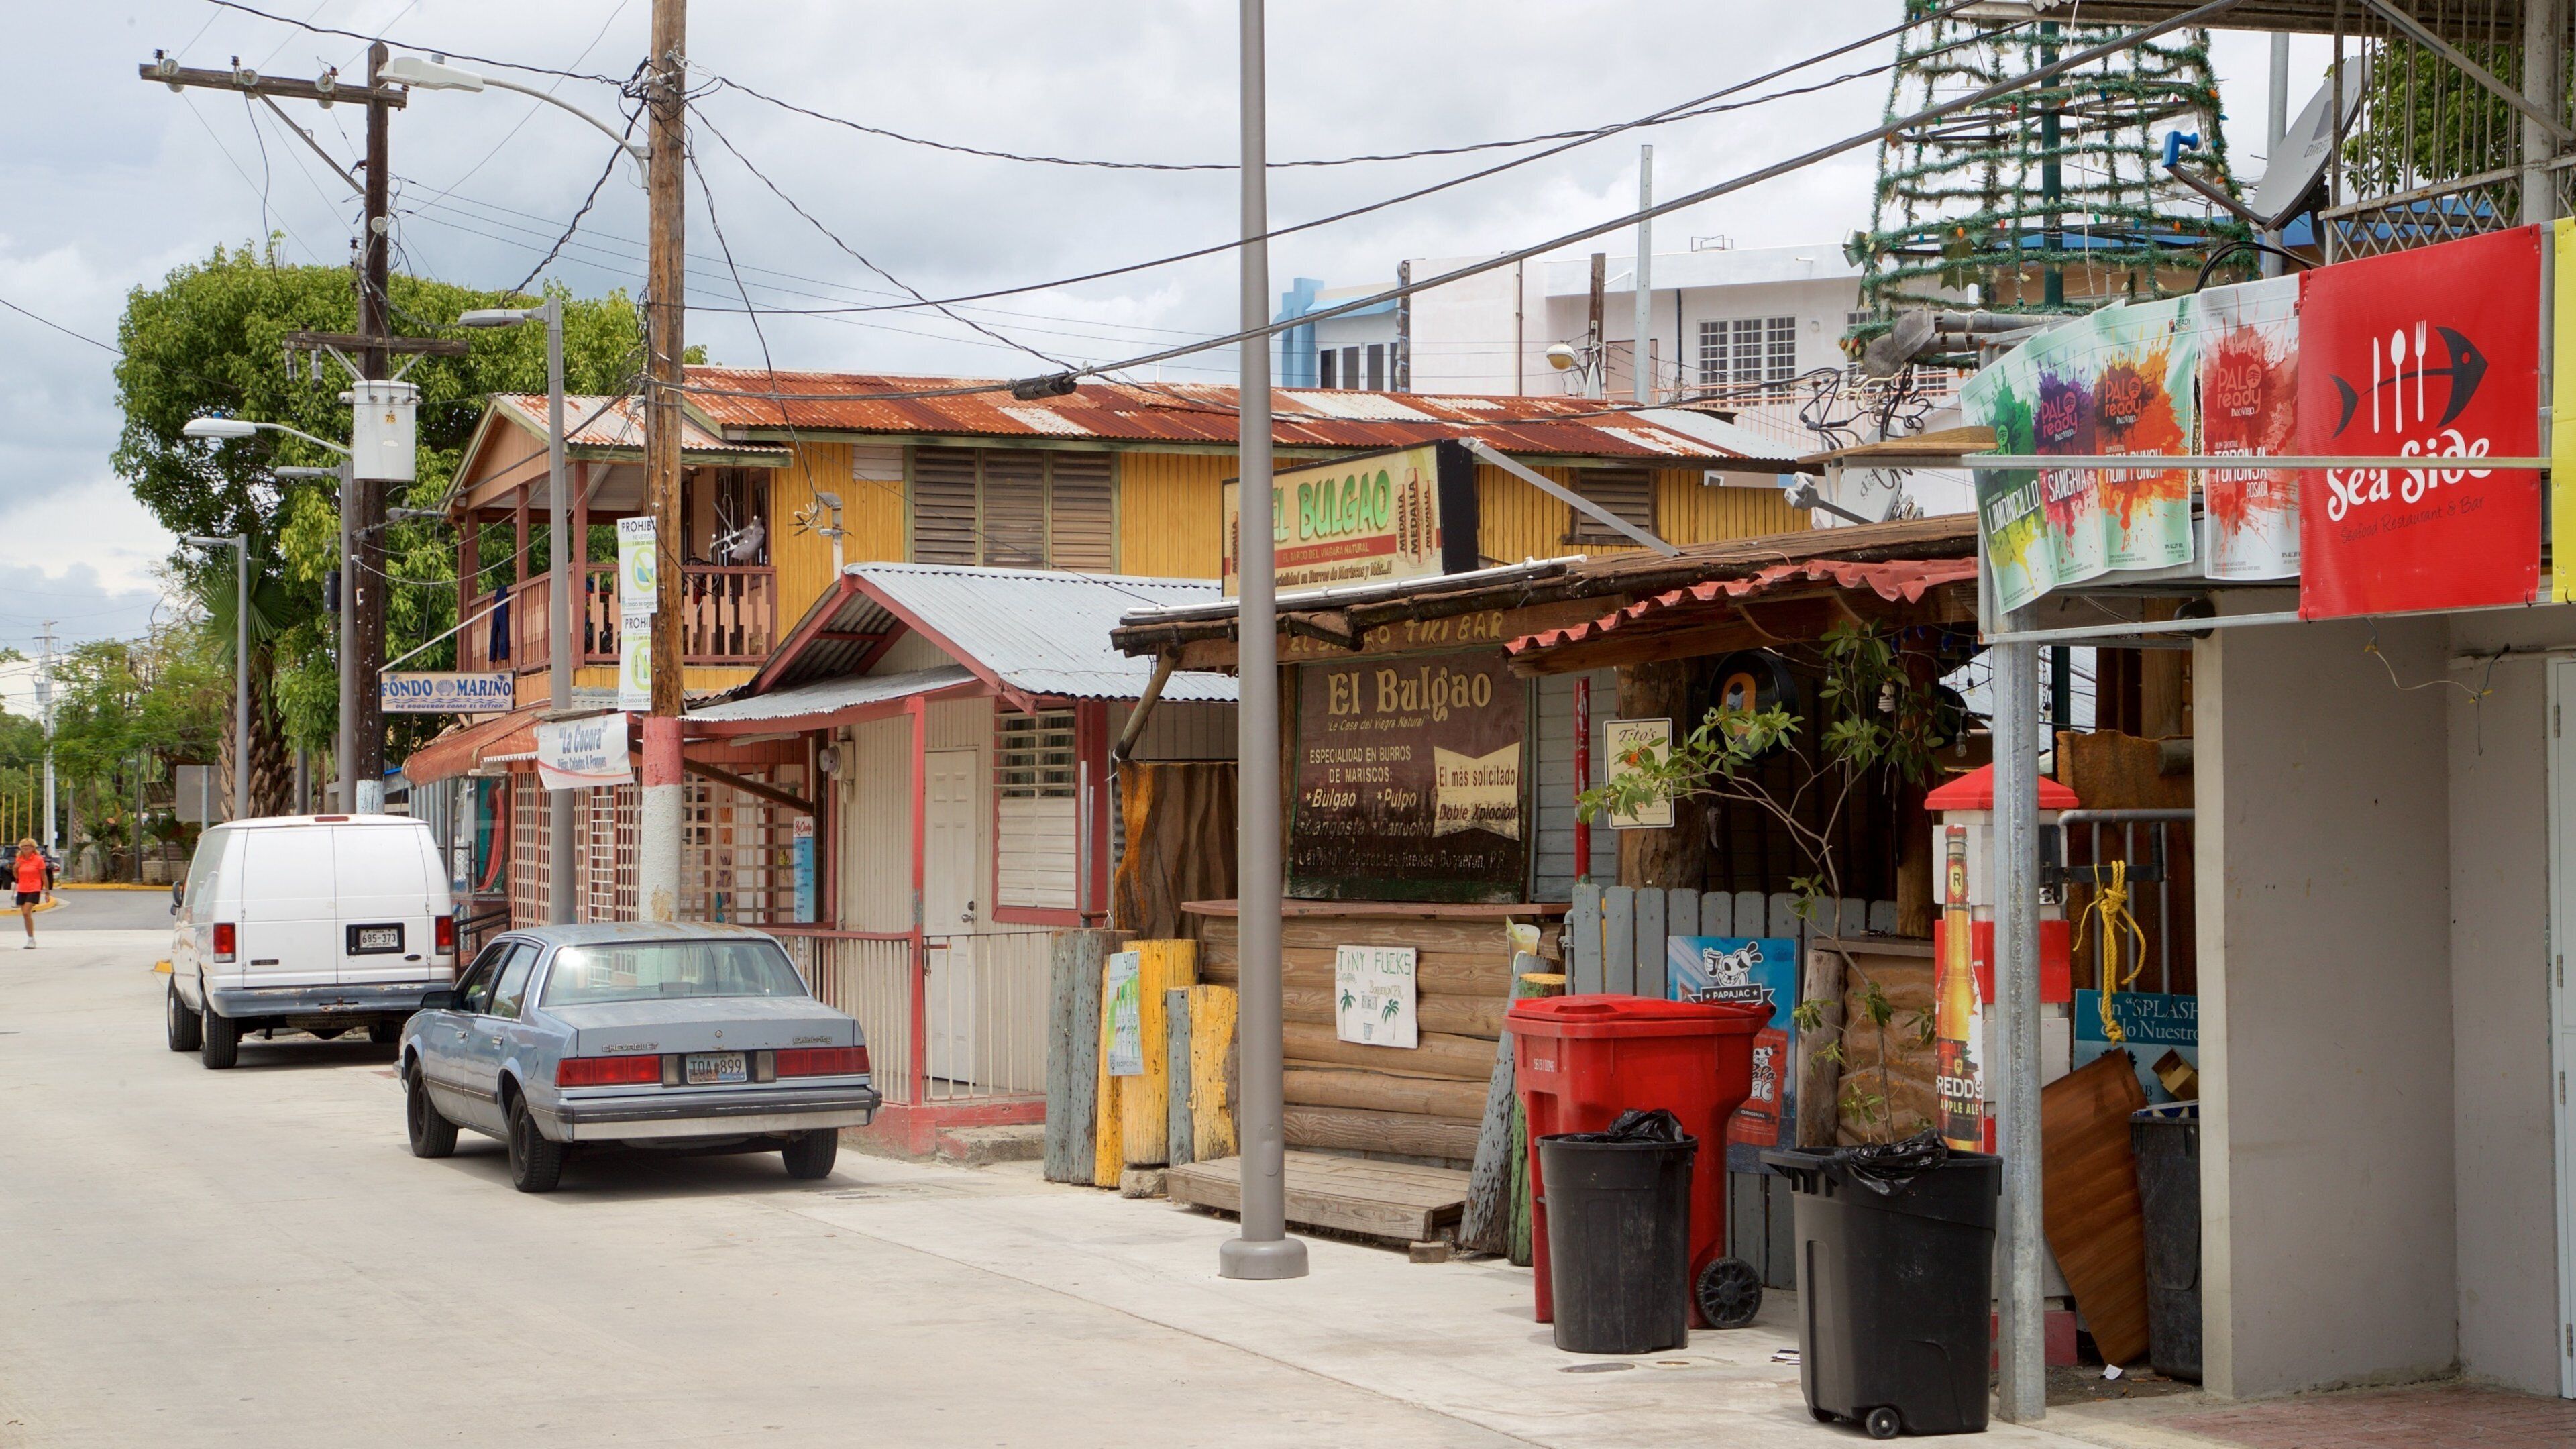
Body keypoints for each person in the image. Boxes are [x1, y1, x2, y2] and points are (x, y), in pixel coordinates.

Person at [15, 837, 48, 948]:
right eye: (23, 846)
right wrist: (15, 869)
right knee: (26, 915)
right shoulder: (19, 859)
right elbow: (17, 877)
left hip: (34, 888)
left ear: (33, 848)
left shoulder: (38, 859)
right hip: (22, 888)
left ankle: (31, 939)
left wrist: (47, 891)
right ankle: (31, 938)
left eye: (28, 846)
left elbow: (44, 876)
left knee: (26, 912)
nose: (25, 848)